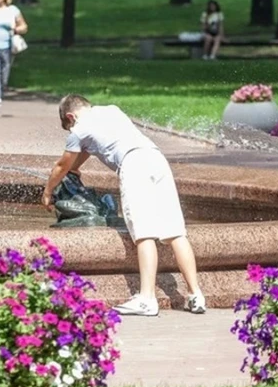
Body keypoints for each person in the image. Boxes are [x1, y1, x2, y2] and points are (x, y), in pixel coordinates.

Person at [41, 94, 205, 317]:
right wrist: (74, 169)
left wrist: (48, 192)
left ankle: (147, 298)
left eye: (69, 127)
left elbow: (62, 165)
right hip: (156, 159)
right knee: (176, 231)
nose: (72, 132)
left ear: (71, 116)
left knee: (143, 232)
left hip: (133, 164)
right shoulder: (112, 110)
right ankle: (196, 295)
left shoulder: (79, 129)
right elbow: (83, 155)